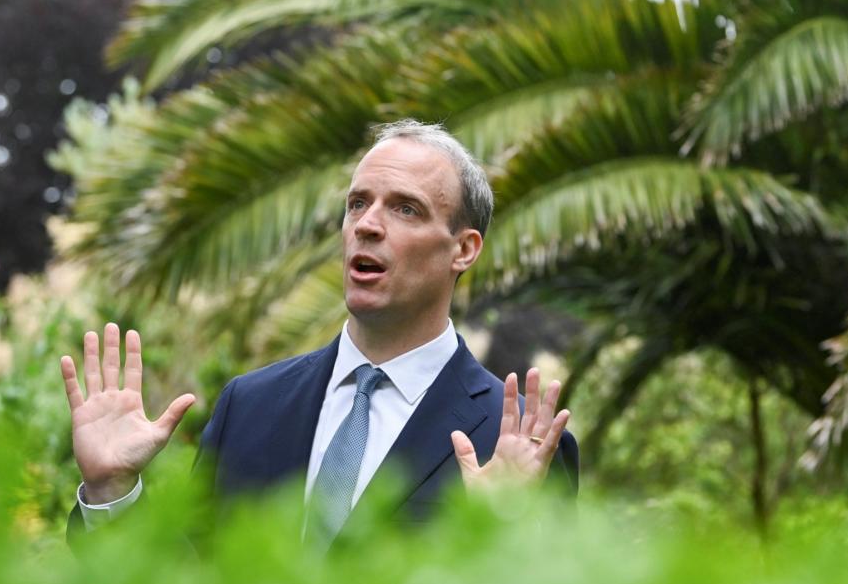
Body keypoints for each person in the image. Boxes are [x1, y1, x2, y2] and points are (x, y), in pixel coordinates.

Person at [59, 120, 577, 545]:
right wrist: (112, 491)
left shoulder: (515, 443)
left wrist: (507, 539)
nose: (367, 225)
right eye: (357, 203)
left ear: (463, 249)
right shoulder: (249, 406)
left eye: (405, 208)